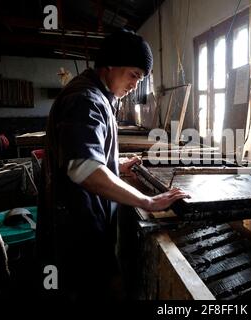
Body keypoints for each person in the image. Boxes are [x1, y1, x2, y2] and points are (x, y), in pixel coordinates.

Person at [36, 29, 188, 300]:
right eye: (133, 75)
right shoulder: (86, 100)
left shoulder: (98, 96)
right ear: (110, 64)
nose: (135, 85)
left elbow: (82, 154)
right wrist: (147, 201)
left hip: (84, 219)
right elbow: (83, 170)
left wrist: (115, 164)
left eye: (140, 79)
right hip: (78, 228)